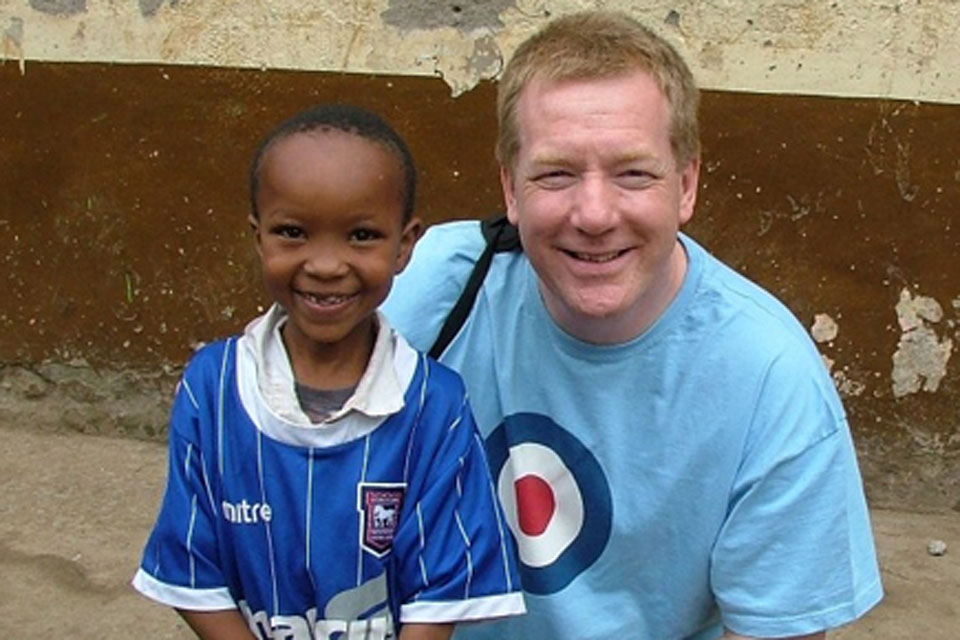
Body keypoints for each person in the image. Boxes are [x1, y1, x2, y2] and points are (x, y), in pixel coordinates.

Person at [382, 11, 882, 640]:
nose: (593, 214)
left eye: (633, 173)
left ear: (687, 184)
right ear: (511, 188)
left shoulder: (768, 379)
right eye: (556, 173)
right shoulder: (427, 288)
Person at [132, 105, 525, 640]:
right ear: (258, 237)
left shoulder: (436, 405)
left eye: (361, 236)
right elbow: (191, 570)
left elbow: (444, 589)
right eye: (292, 232)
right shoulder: (214, 388)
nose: (324, 264)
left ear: (405, 245)